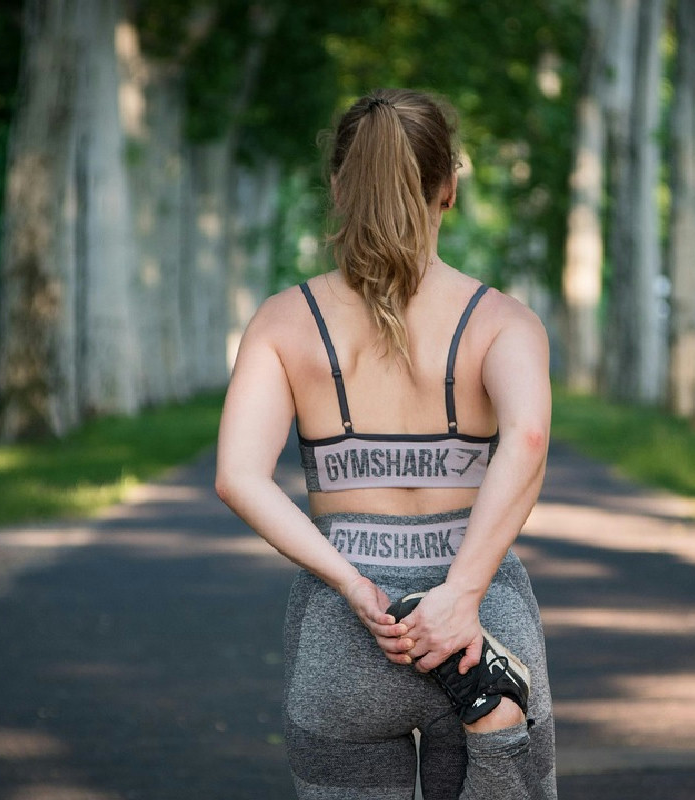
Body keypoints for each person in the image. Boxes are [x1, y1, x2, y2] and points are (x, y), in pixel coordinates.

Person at [215, 88, 556, 799]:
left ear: (339, 186)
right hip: (477, 637)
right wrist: (460, 596)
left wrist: (350, 583)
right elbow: (524, 434)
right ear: (448, 188)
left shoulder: (283, 322)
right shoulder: (503, 322)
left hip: (348, 633)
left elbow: (238, 477)